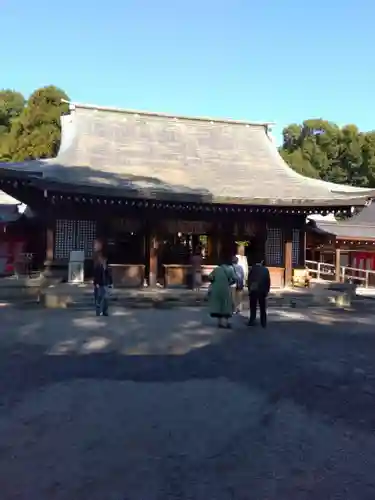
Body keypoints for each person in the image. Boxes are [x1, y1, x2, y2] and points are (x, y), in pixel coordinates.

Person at [208, 258, 236, 328]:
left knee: (218, 305)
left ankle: (220, 322)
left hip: (216, 289)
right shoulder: (230, 269)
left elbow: (210, 277)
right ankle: (224, 323)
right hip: (225, 288)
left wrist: (214, 281)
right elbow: (235, 278)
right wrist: (229, 283)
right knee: (225, 305)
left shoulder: (217, 269)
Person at [247, 260, 271, 328]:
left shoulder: (252, 269)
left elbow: (249, 280)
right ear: (262, 262)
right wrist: (267, 290)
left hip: (253, 289)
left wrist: (249, 289)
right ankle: (263, 322)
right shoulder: (266, 270)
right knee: (262, 307)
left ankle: (252, 320)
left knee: (253, 306)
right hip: (262, 290)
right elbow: (268, 281)